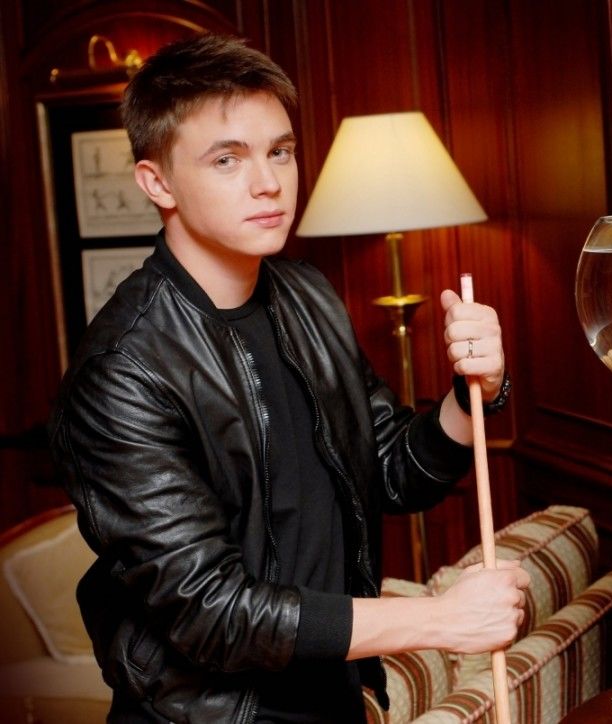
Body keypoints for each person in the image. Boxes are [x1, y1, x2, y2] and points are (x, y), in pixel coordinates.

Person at [48, 33, 529, 723]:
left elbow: (392, 470)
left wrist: (472, 391)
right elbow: (212, 611)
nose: (268, 182)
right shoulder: (121, 371)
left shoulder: (308, 295)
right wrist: (438, 619)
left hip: (336, 698)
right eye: (227, 159)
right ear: (157, 183)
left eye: (280, 151)